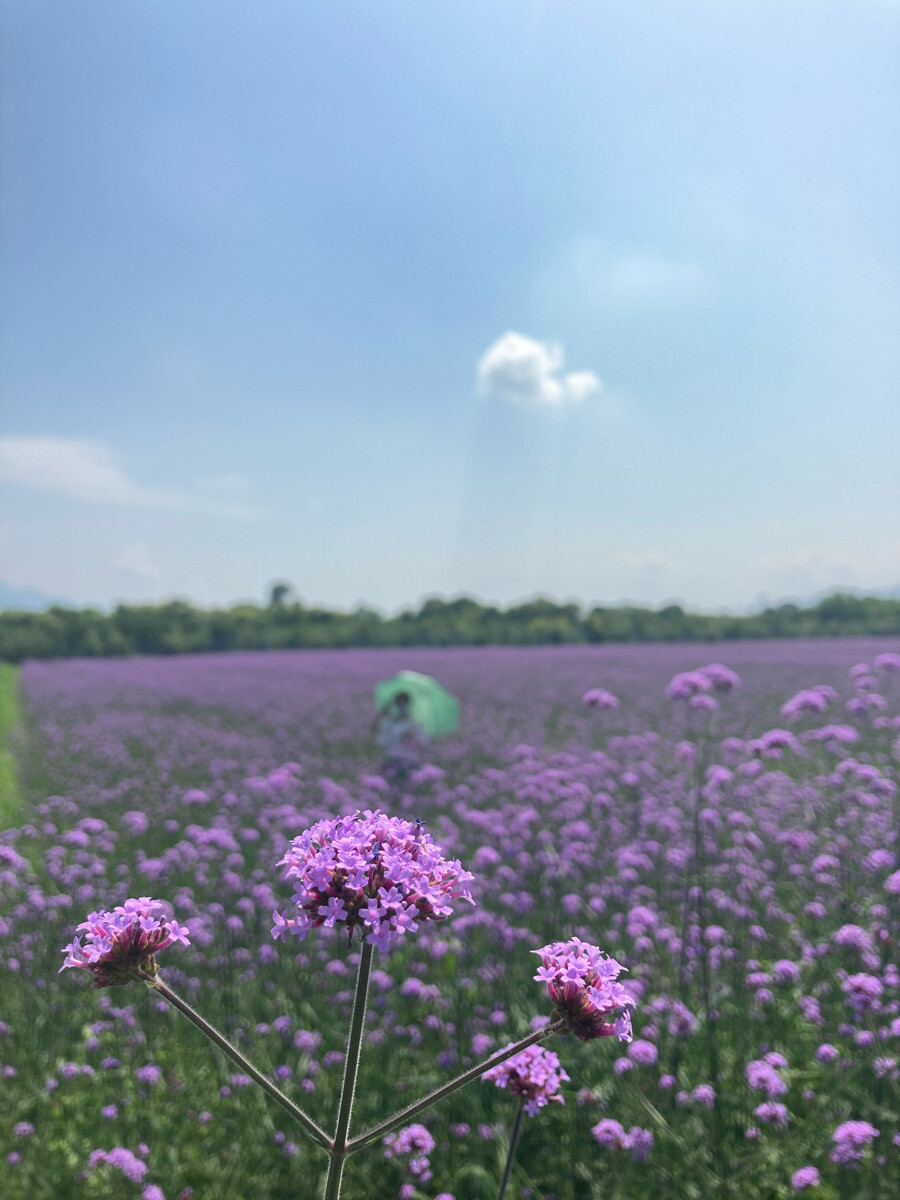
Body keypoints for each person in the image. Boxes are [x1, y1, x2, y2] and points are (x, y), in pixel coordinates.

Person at [373, 691, 426, 786]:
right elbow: (379, 738)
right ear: (396, 704)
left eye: (404, 702)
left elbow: (422, 743)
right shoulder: (391, 723)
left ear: (409, 704)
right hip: (393, 760)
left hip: (410, 761)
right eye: (399, 702)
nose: (402, 705)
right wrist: (379, 716)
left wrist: (412, 738)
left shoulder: (415, 723)